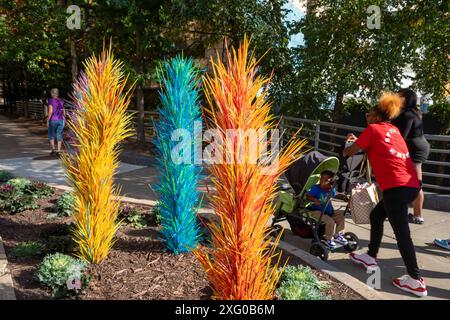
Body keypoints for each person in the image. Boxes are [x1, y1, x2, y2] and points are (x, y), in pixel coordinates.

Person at [344, 92, 427, 297]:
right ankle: (371, 255)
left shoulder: (372, 129)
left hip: (395, 188)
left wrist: (350, 142)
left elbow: (349, 152)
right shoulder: (394, 130)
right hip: (410, 186)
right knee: (376, 216)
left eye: (368, 114)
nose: (367, 117)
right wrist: (361, 140)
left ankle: (416, 280)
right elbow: (380, 145)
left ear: (376, 116)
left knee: (402, 235)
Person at [391, 89, 430, 224]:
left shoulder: (408, 114)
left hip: (416, 150)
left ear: (405, 99)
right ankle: (415, 214)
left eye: (399, 96)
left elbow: (402, 136)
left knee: (416, 183)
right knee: (413, 182)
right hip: (415, 148)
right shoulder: (411, 112)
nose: (395, 98)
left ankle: (418, 216)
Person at [306, 170, 347, 249]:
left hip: (328, 211)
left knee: (341, 217)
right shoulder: (316, 188)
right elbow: (308, 196)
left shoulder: (330, 189)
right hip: (316, 211)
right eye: (321, 179)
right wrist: (314, 200)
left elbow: (335, 195)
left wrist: (342, 196)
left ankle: (338, 235)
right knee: (330, 221)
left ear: (331, 181)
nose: (322, 181)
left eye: (326, 180)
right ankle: (328, 239)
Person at [46, 88, 66, 156]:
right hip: (61, 120)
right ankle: (59, 151)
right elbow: (64, 111)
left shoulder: (50, 100)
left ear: (52, 93)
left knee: (51, 134)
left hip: (53, 120)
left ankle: (53, 150)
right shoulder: (61, 101)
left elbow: (50, 111)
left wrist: (47, 120)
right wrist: (64, 119)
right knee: (59, 134)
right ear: (57, 93)